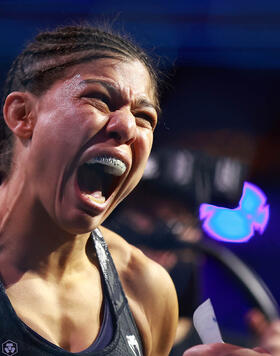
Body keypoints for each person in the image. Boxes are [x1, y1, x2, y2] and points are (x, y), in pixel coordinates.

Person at [0, 25, 178, 355]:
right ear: (22, 115)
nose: (126, 127)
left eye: (144, 116)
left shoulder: (145, 288)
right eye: (98, 99)